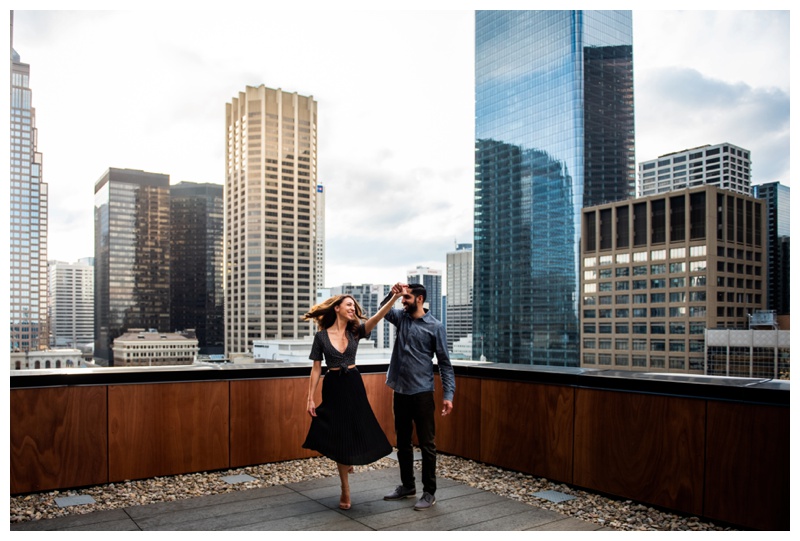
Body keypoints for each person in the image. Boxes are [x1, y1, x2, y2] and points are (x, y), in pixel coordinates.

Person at [302, 291, 401, 510]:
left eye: (354, 306)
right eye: (348, 305)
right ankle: (345, 488)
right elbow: (317, 368)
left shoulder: (355, 331)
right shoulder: (321, 337)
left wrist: (394, 299)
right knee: (340, 435)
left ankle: (348, 460)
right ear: (336, 308)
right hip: (333, 386)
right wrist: (310, 398)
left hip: (354, 384)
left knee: (356, 429)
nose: (352, 309)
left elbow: (376, 317)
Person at [381, 283, 455, 511]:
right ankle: (407, 486)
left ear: (419, 299)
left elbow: (444, 363)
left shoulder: (435, 326)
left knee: (427, 445)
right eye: (402, 298)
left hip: (422, 392)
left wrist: (448, 394)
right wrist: (393, 294)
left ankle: (429, 493)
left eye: (407, 298)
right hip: (400, 391)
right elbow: (383, 310)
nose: (403, 301)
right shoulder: (401, 318)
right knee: (403, 443)